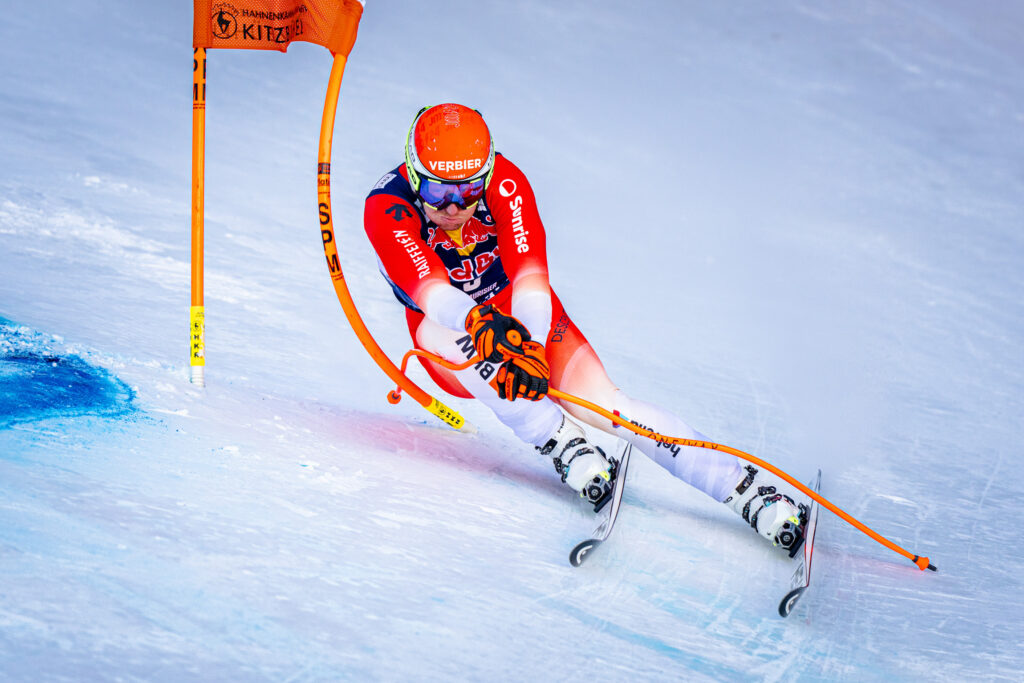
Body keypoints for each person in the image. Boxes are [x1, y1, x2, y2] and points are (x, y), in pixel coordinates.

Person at [364, 103, 807, 553]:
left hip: (521, 315)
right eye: (439, 193)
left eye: (470, 189)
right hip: (449, 331)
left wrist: (529, 346)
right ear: (415, 175)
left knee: (607, 407)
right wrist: (482, 323)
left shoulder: (507, 182)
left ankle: (745, 490)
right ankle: (559, 441)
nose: (455, 208)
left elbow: (531, 278)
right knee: (464, 344)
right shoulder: (387, 207)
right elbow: (433, 294)